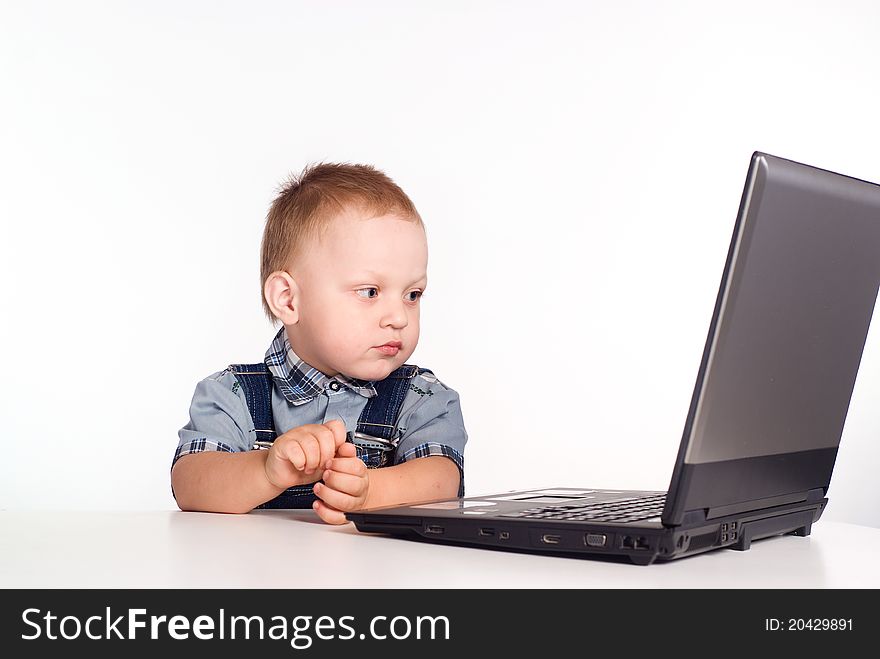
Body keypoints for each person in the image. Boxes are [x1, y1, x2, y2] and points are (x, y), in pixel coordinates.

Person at [170, 163, 467, 523]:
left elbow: (442, 480)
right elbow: (190, 484)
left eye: (412, 294)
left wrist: (370, 491)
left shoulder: (423, 398)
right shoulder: (231, 395)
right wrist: (266, 470)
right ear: (289, 300)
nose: (399, 317)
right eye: (370, 292)